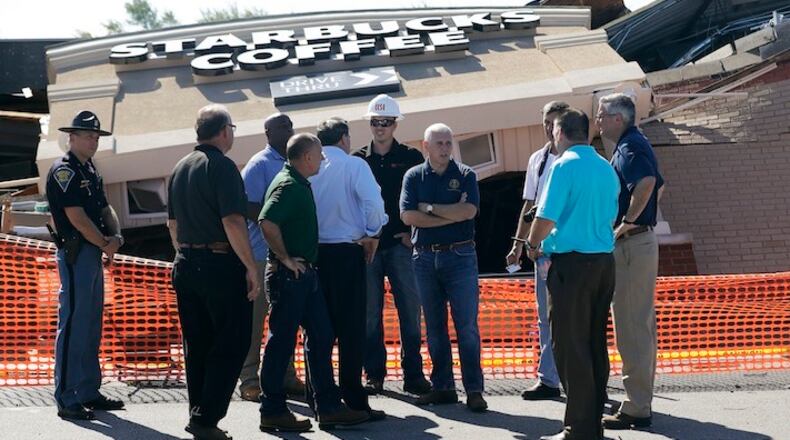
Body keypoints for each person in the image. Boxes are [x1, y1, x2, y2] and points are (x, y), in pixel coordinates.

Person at [258, 133, 370, 432]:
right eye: (319, 154)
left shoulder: (298, 182)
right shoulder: (288, 185)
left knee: (322, 335)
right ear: (306, 157)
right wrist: (285, 258)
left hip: (305, 275)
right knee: (281, 342)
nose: (323, 159)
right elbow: (266, 221)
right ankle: (272, 409)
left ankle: (328, 406)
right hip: (290, 276)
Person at [525, 108, 620, 440]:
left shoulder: (563, 166)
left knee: (569, 345)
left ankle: (579, 428)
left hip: (572, 265)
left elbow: (546, 216)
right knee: (594, 342)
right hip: (603, 262)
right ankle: (593, 421)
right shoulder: (605, 166)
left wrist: (533, 242)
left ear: (558, 132)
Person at [167, 104, 259, 440]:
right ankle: (207, 417)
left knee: (199, 344)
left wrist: (184, 255)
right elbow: (233, 221)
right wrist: (250, 266)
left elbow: (172, 224)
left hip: (187, 263)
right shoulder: (222, 166)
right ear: (223, 131)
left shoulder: (180, 167)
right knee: (232, 341)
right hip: (219, 264)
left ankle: (199, 414)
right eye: (231, 128)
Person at [400, 123, 487, 413]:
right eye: (439, 143)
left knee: (466, 327)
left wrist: (429, 208)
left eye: (448, 143)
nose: (445, 148)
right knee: (435, 328)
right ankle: (443, 387)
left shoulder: (465, 174)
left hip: (460, 255)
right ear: (426, 146)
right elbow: (408, 216)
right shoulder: (413, 176)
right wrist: (450, 214)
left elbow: (469, 211)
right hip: (424, 258)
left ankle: (474, 389)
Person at [308, 117, 389, 420]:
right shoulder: (355, 166)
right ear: (343, 138)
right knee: (351, 330)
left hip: (315, 253)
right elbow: (373, 204)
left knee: (318, 332)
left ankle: (320, 398)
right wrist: (373, 232)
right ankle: (354, 399)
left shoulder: (309, 166)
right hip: (347, 251)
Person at [47, 110, 125, 420]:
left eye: (96, 136)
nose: (94, 140)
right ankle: (67, 397)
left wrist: (116, 235)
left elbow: (105, 208)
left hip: (92, 252)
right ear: (72, 137)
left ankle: (88, 390)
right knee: (74, 325)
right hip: (78, 253)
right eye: (89, 135)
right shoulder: (64, 171)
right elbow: (77, 219)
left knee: (91, 324)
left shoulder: (90, 169)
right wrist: (106, 243)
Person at [353, 95, 431, 395]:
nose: (380, 127)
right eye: (375, 122)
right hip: (370, 247)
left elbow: (422, 200)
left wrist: (411, 234)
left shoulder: (412, 158)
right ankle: (374, 374)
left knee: (410, 311)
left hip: (400, 245)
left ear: (395, 124)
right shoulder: (358, 159)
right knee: (370, 313)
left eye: (385, 122)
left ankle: (413, 374)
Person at [596, 93, 664, 430]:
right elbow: (658, 187)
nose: (598, 121)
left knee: (631, 328)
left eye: (601, 115)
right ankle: (641, 399)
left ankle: (637, 406)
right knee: (640, 325)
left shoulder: (631, 146)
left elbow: (649, 183)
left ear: (617, 118)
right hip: (638, 243)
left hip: (631, 246)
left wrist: (625, 225)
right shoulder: (634, 143)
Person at [238, 113, 304, 402]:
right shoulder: (259, 165)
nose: (288, 130)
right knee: (253, 323)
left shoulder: (293, 162)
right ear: (268, 133)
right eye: (281, 127)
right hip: (261, 255)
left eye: (289, 126)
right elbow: (245, 206)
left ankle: (287, 376)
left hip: (287, 255)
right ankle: (249, 380)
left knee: (286, 320)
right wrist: (275, 216)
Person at [505, 101, 569, 400]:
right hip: (540, 250)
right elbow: (529, 205)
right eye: (545, 121)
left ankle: (576, 377)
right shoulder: (538, 160)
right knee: (545, 316)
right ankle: (549, 378)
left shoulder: (574, 159)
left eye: (553, 122)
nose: (548, 128)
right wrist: (519, 245)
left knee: (573, 314)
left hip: (569, 248)